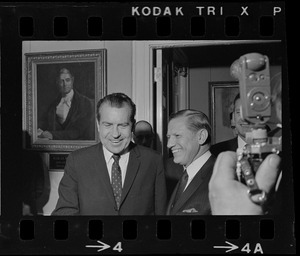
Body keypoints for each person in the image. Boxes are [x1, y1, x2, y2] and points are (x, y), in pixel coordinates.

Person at [52, 92, 167, 215]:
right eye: (108, 125)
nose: (115, 134)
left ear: (132, 126)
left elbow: (161, 217)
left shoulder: (153, 161)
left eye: (122, 125)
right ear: (98, 125)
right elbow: (65, 214)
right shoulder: (77, 161)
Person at [209, 72, 289, 215]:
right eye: (240, 112)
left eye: (251, 112)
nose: (246, 119)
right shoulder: (215, 153)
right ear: (232, 119)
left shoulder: (277, 144)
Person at [166, 109, 216, 215]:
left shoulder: (219, 176)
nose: (169, 144)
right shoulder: (175, 173)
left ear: (201, 137)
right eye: (169, 137)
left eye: (177, 136)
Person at [38, 68, 95, 140]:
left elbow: (78, 131)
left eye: (67, 80)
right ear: (57, 82)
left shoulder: (86, 103)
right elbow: (44, 124)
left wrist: (52, 135)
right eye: (61, 81)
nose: (65, 84)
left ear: (72, 80)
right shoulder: (53, 105)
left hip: (79, 146)